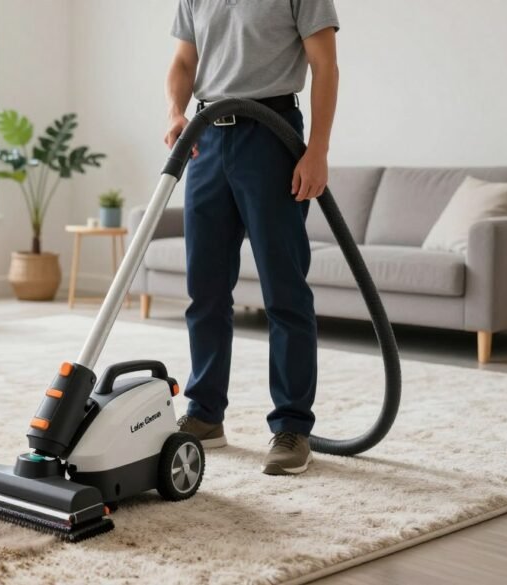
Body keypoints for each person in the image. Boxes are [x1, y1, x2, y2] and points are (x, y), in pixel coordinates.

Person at [164, 0, 340, 475]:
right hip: (205, 140)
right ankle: (204, 414)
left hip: (272, 136)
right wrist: (176, 112)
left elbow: (325, 65)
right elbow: (184, 61)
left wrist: (317, 150)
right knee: (205, 289)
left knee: (283, 289)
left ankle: (292, 426)